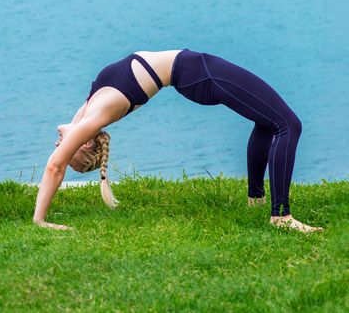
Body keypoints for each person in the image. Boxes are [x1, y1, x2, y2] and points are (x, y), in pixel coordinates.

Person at [33, 48, 323, 233]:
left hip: (196, 70)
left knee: (266, 121)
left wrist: (67, 131)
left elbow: (66, 128)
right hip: (201, 75)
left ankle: (255, 199)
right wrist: (40, 219)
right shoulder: (96, 116)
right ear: (85, 143)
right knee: (288, 125)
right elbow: (54, 168)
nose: (58, 146)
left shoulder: (88, 110)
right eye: (67, 150)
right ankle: (281, 216)